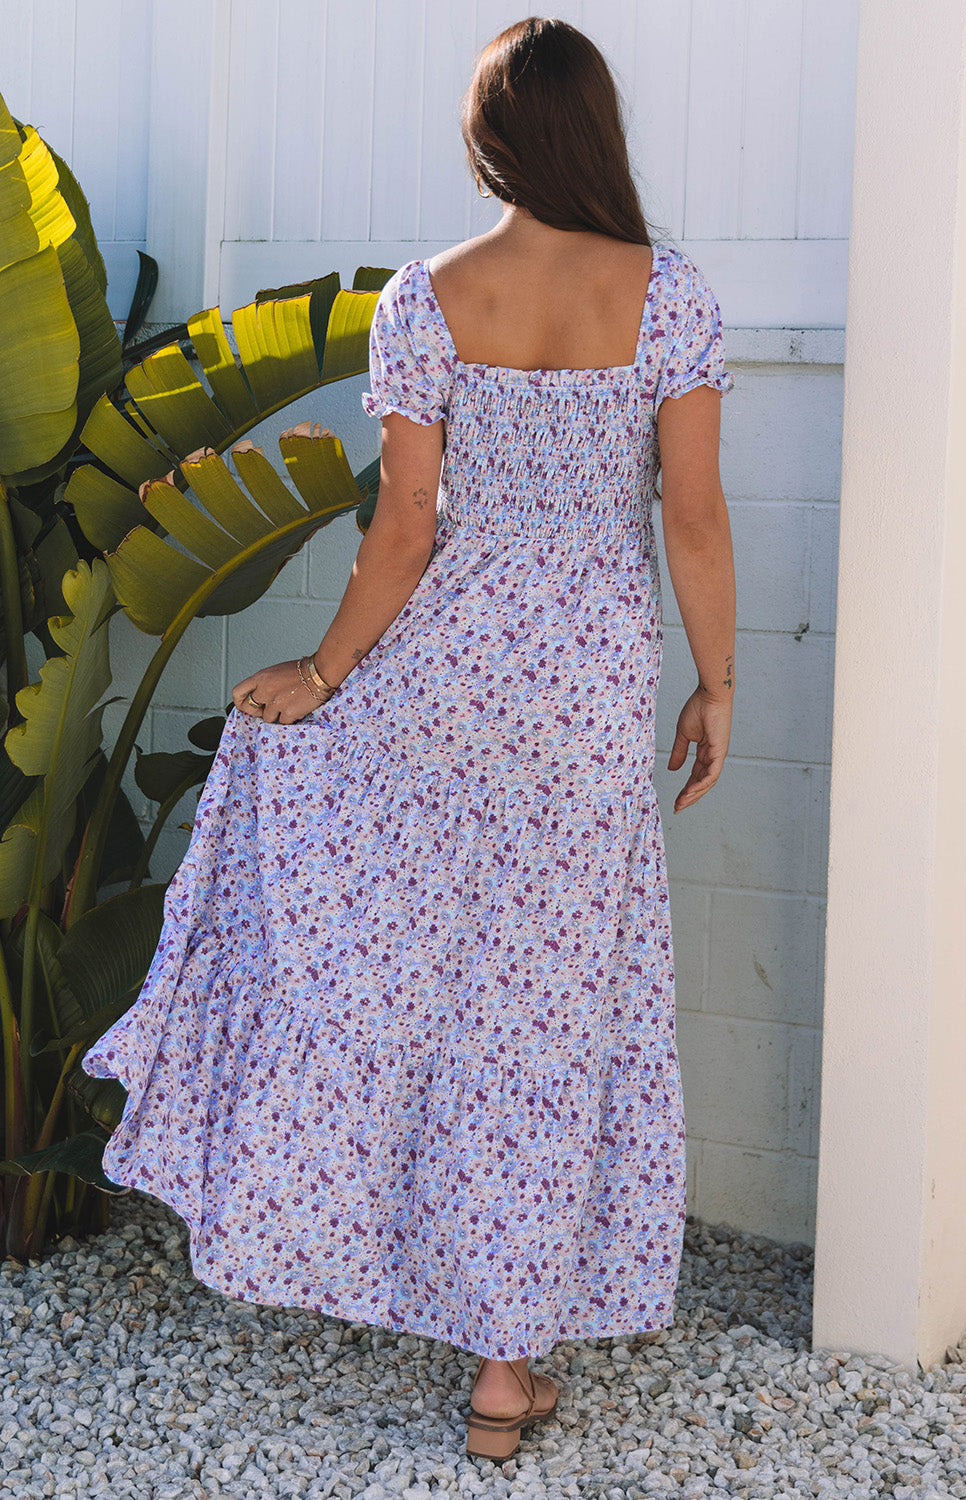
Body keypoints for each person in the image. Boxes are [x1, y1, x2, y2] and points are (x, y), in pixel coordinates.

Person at [81, 14, 735, 1464]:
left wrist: (320, 672)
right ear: (597, 130)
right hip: (582, 689)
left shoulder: (427, 300)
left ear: (489, 138)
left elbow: (406, 525)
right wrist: (719, 684)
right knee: (545, 1010)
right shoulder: (670, 293)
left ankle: (367, 1238)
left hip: (439, 681)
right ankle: (507, 1364)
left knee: (405, 969)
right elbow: (689, 514)